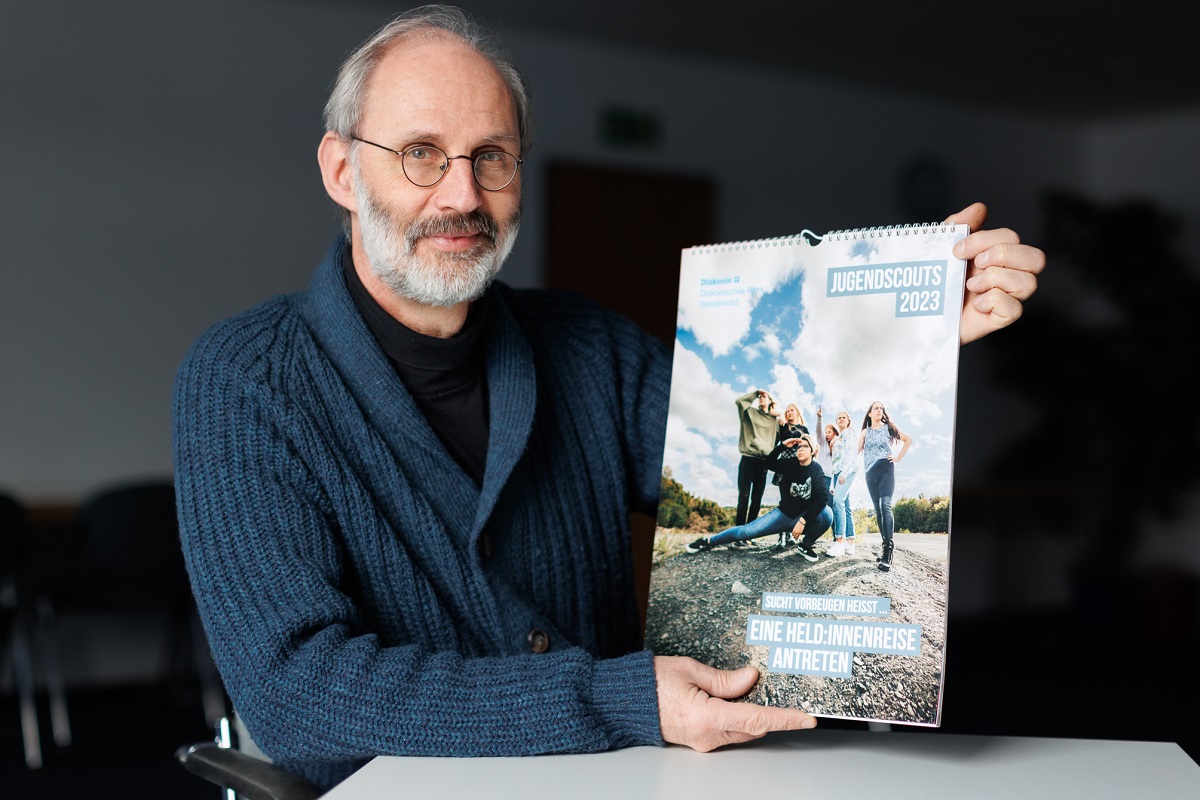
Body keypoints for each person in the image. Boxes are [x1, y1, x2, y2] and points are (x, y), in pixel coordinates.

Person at [171, 4, 1046, 791]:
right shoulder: (244, 381)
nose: (463, 195)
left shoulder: (589, 346)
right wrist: (617, 699)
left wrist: (905, 334)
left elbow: (741, 454)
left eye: (493, 158)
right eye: (421, 155)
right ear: (339, 170)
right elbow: (298, 697)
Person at [686, 434, 832, 561]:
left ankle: (805, 545)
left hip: (801, 519)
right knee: (746, 532)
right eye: (799, 447)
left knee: (827, 514)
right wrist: (782, 446)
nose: (800, 449)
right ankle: (709, 541)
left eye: (805, 446)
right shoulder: (790, 464)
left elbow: (822, 498)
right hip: (783, 515)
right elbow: (768, 463)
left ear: (813, 451)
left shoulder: (816, 469)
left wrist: (803, 520)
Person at [858, 401, 912, 571]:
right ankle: (883, 550)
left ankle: (888, 551)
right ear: (869, 414)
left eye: (881, 408)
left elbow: (908, 440)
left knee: (885, 505)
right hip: (870, 473)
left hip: (886, 467)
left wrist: (898, 458)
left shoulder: (888, 427)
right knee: (878, 509)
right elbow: (855, 452)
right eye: (876, 408)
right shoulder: (865, 432)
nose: (879, 410)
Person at [733, 388, 781, 527]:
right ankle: (739, 532)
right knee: (744, 496)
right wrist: (756, 393)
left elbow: (781, 435)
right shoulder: (749, 413)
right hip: (748, 459)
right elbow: (739, 401)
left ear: (770, 401)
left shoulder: (774, 421)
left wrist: (777, 409)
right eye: (760, 397)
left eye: (765, 397)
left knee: (757, 499)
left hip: (763, 462)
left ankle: (749, 534)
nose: (761, 398)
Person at [825, 409, 859, 557]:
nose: (841, 419)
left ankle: (839, 541)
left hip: (847, 470)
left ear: (848, 420)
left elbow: (852, 453)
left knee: (837, 502)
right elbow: (835, 460)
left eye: (843, 417)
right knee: (846, 505)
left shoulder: (849, 433)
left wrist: (844, 473)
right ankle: (850, 542)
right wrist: (834, 481)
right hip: (838, 472)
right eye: (838, 417)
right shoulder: (839, 437)